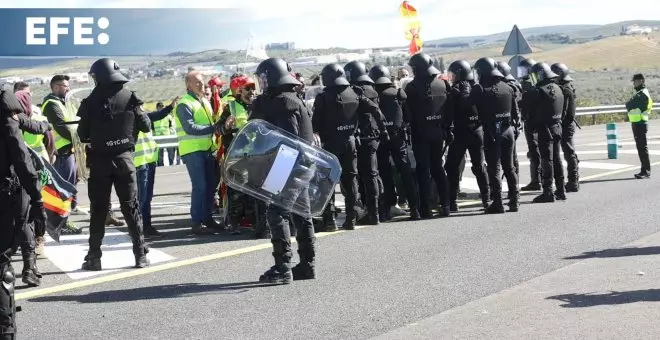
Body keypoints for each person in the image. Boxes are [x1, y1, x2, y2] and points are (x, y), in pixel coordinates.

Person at [76, 58, 151, 271]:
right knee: (131, 207)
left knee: (98, 210)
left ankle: (95, 257)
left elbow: (82, 135)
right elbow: (146, 126)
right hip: (124, 159)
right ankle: (140, 254)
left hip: (100, 162)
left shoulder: (90, 102)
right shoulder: (130, 97)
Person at [250, 57, 316, 284]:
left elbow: (288, 139)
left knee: (276, 213)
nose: (261, 82)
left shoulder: (282, 102)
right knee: (302, 215)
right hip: (302, 164)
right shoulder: (292, 98)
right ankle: (307, 265)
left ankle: (283, 267)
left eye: (263, 78)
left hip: (287, 164)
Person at [0, 89, 47, 340]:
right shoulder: (3, 103)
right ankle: (6, 331)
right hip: (4, 192)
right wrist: (37, 196)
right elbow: (20, 154)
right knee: (1, 265)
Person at [175, 71, 225, 235]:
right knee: (200, 186)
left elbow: (211, 122)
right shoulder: (184, 104)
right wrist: (214, 128)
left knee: (211, 186)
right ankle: (197, 222)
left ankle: (207, 218)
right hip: (193, 151)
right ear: (187, 85)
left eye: (202, 82)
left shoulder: (204, 100)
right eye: (196, 82)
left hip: (207, 149)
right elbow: (190, 128)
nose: (201, 84)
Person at [369, 64, 421, 220]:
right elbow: (408, 117)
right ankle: (415, 208)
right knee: (405, 171)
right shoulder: (398, 93)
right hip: (398, 138)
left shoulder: (372, 96)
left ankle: (386, 210)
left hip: (381, 139)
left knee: (384, 174)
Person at [470, 57, 520, 213]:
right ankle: (514, 201)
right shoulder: (508, 87)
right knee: (510, 168)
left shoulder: (480, 89)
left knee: (494, 169)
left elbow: (467, 103)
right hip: (508, 130)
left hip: (492, 132)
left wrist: (464, 91)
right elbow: (515, 112)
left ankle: (498, 203)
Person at [405, 52, 451, 218]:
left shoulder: (411, 87)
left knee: (423, 170)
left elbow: (408, 113)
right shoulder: (442, 84)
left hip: (421, 133)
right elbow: (449, 108)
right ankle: (445, 204)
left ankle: (426, 207)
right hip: (438, 131)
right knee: (438, 168)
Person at [14, 90, 52, 286]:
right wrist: (47, 125)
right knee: (25, 221)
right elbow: (36, 127)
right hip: (16, 179)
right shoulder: (13, 116)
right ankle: (29, 268)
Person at [344, 60, 389, 225]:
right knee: (373, 175)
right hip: (373, 137)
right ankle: (378, 211)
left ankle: (370, 212)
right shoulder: (372, 89)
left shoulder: (355, 91)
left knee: (364, 176)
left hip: (363, 137)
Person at [444, 60, 490, 211]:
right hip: (477, 131)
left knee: (451, 167)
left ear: (459, 73)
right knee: (479, 166)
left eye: (453, 74)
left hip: (461, 133)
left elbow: (450, 111)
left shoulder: (458, 90)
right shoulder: (478, 87)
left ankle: (452, 201)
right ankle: (486, 198)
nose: (451, 78)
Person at [218, 75, 259, 236]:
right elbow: (218, 129)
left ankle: (254, 221)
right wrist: (226, 126)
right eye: (248, 88)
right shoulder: (231, 107)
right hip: (236, 156)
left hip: (256, 156)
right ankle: (232, 223)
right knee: (236, 191)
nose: (252, 92)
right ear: (239, 91)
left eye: (253, 88)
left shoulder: (259, 105)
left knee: (254, 191)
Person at [41, 74, 83, 234]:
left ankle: (63, 221)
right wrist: (80, 138)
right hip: (60, 153)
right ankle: (59, 224)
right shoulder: (51, 104)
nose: (68, 88)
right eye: (66, 86)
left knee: (68, 188)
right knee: (60, 190)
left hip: (69, 151)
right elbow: (62, 127)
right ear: (57, 87)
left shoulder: (64, 103)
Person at [136, 97, 180, 238]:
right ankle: (140, 227)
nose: (142, 108)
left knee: (147, 198)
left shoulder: (143, 117)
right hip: (139, 163)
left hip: (149, 161)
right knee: (141, 199)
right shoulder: (131, 119)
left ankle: (146, 227)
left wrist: (170, 107)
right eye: (139, 106)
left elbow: (157, 115)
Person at [527, 62, 565, 203]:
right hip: (557, 126)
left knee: (546, 160)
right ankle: (561, 190)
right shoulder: (558, 88)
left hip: (544, 129)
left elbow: (524, 105)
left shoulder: (538, 91)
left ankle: (548, 191)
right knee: (556, 158)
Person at [551, 63, 580, 190]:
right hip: (565, 124)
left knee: (569, 152)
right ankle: (573, 180)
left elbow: (566, 112)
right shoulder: (565, 87)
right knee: (569, 152)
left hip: (566, 124)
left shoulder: (566, 89)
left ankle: (573, 181)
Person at [517, 58, 542, 191]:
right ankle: (538, 179)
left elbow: (522, 102)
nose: (521, 73)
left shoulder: (530, 86)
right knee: (536, 151)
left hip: (532, 122)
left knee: (534, 151)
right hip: (534, 121)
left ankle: (536, 180)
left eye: (523, 70)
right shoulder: (537, 84)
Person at [626, 73, 652, 179]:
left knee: (642, 148)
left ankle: (646, 171)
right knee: (641, 148)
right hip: (638, 123)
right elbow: (630, 104)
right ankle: (644, 170)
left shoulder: (642, 94)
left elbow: (628, 105)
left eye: (636, 81)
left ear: (641, 81)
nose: (634, 83)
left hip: (640, 123)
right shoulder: (640, 93)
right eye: (634, 81)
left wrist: (630, 103)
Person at [154, 101, 179, 167]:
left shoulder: (168, 116)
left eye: (162, 107)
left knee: (170, 153)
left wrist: (172, 136)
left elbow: (171, 127)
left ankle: (171, 165)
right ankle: (160, 166)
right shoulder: (154, 117)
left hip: (167, 137)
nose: (161, 108)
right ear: (157, 108)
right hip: (158, 138)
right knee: (159, 155)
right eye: (160, 107)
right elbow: (152, 129)